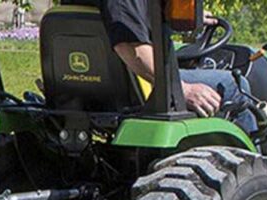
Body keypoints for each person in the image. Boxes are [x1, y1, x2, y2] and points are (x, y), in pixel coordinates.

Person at [102, 0, 258, 133]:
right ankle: (255, 165)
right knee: (233, 85)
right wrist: (182, 89)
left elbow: (139, 16)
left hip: (104, 84)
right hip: (139, 82)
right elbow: (130, 48)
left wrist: (190, 16)